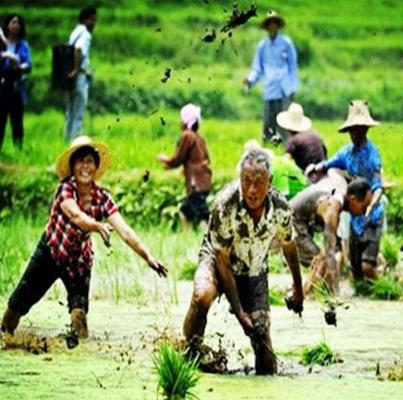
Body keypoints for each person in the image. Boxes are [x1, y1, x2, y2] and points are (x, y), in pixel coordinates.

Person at [1, 136, 167, 340]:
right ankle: (4, 338)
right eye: (80, 161)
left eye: (90, 161)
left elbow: (125, 231)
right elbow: (75, 215)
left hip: (78, 262)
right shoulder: (65, 189)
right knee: (17, 305)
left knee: (79, 318)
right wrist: (98, 226)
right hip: (50, 252)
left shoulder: (103, 198)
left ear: (96, 166)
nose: (85, 166)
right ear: (72, 166)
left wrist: (148, 257)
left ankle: (77, 351)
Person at [183, 148, 303, 375]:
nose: (252, 190)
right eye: (246, 181)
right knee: (203, 294)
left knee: (262, 340)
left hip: (254, 269)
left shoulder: (280, 209)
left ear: (270, 182)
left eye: (259, 182)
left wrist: (299, 288)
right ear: (239, 179)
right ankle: (190, 348)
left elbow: (289, 246)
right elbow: (222, 261)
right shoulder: (225, 204)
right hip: (218, 259)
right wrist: (239, 312)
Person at [309, 100, 384, 281]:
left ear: (366, 129)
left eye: (360, 129)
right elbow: (329, 163)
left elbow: (378, 187)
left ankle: (384, 288)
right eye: (353, 130)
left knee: (367, 266)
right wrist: (315, 168)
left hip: (372, 216)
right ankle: (363, 291)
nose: (356, 133)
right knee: (355, 268)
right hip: (355, 215)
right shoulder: (346, 153)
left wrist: (370, 206)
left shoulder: (373, 156)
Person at [243, 10, 299, 144]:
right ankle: (268, 145)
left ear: (277, 26)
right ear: (267, 27)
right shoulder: (262, 46)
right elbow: (257, 68)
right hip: (269, 88)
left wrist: (293, 88)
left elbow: (293, 66)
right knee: (269, 121)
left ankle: (288, 146)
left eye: (274, 24)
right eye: (269, 24)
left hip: (284, 87)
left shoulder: (286, 43)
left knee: (285, 120)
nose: (272, 27)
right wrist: (250, 80)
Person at [290, 169, 347, 294]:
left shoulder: (336, 193)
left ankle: (311, 290)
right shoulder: (333, 206)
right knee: (318, 259)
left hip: (302, 220)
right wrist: (336, 291)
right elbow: (330, 250)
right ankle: (306, 292)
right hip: (292, 219)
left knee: (321, 259)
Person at [157, 103, 212, 231]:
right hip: (204, 182)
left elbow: (178, 158)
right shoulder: (199, 138)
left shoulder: (187, 136)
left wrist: (166, 160)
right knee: (184, 212)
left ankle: (208, 238)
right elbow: (206, 159)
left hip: (195, 184)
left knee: (202, 215)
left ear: (185, 121)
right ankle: (187, 238)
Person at [64, 6, 97, 141]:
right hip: (79, 78)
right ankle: (75, 141)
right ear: (85, 19)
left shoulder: (75, 31)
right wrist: (77, 70)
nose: (94, 23)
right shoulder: (85, 34)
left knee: (70, 111)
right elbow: (78, 49)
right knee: (78, 112)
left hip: (70, 78)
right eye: (92, 20)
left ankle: (67, 139)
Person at [0, 14, 32, 151]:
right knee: (0, 120)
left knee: (17, 121)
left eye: (18, 23)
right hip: (2, 85)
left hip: (16, 87)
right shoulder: (1, 45)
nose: (16, 26)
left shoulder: (23, 45)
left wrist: (18, 65)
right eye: (13, 22)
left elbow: (28, 64)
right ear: (7, 25)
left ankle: (18, 150)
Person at [277, 102, 327, 173]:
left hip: (308, 174)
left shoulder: (294, 140)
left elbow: (284, 161)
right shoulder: (316, 135)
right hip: (322, 170)